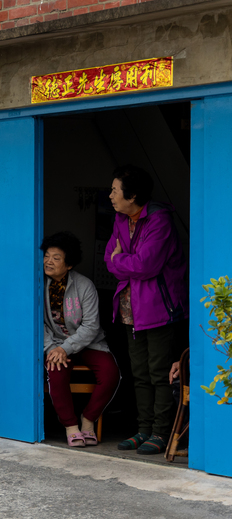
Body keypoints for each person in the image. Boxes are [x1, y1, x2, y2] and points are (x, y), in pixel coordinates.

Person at [105, 165, 188, 455]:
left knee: (160, 372)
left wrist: (122, 260)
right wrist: (123, 261)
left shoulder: (159, 220)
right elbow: (109, 260)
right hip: (130, 309)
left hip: (159, 308)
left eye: (116, 190)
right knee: (138, 373)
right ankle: (143, 430)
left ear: (134, 195)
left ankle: (161, 433)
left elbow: (146, 265)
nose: (111, 195)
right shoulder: (120, 218)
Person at [42, 232, 120, 447]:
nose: (49, 261)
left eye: (56, 258)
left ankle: (88, 419)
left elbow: (91, 326)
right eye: (47, 256)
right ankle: (71, 426)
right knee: (55, 372)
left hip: (88, 343)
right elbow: (35, 323)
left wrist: (66, 348)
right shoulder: (38, 284)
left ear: (69, 265)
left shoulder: (84, 286)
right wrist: (51, 348)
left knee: (110, 373)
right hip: (55, 344)